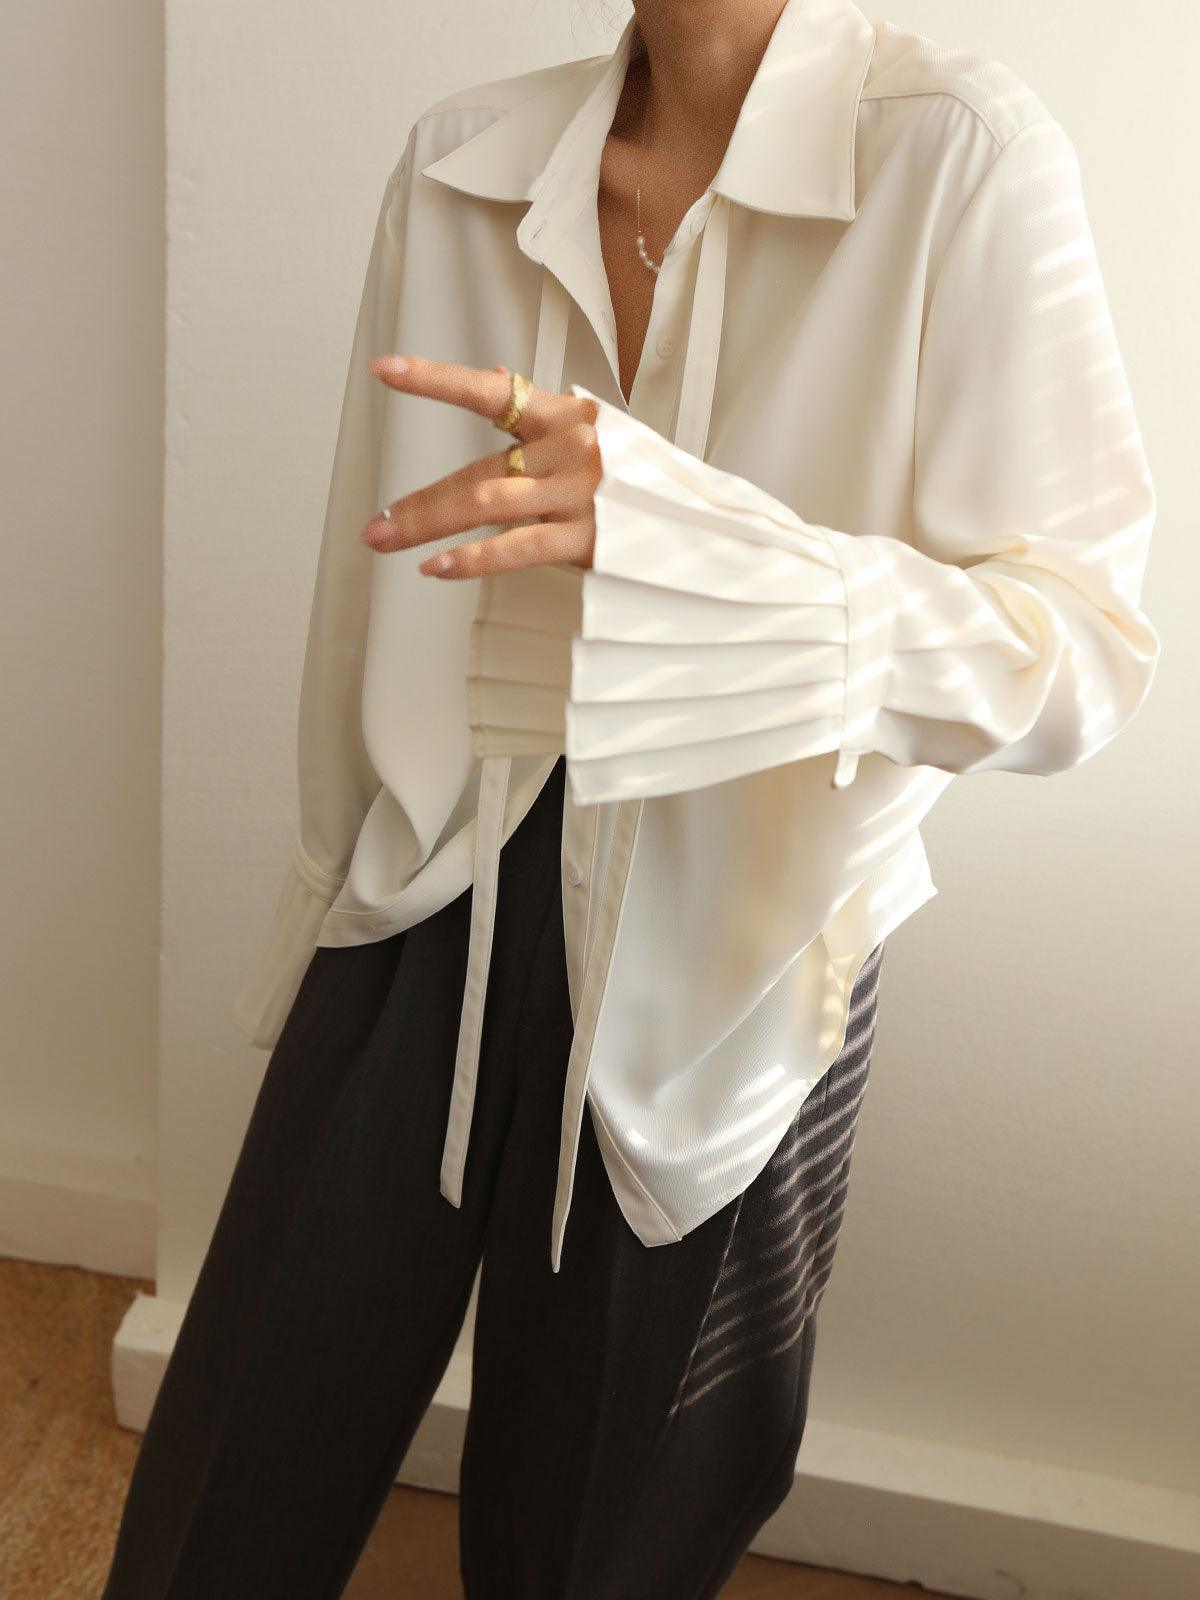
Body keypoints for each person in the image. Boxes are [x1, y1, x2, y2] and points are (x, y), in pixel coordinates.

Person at [100, 0, 1159, 1596]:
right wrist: (328, 896)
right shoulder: (461, 164)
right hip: (432, 880)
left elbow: (1082, 652)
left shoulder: (964, 158)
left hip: (746, 954)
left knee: (600, 1541)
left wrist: (696, 552)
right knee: (232, 1478)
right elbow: (360, 599)